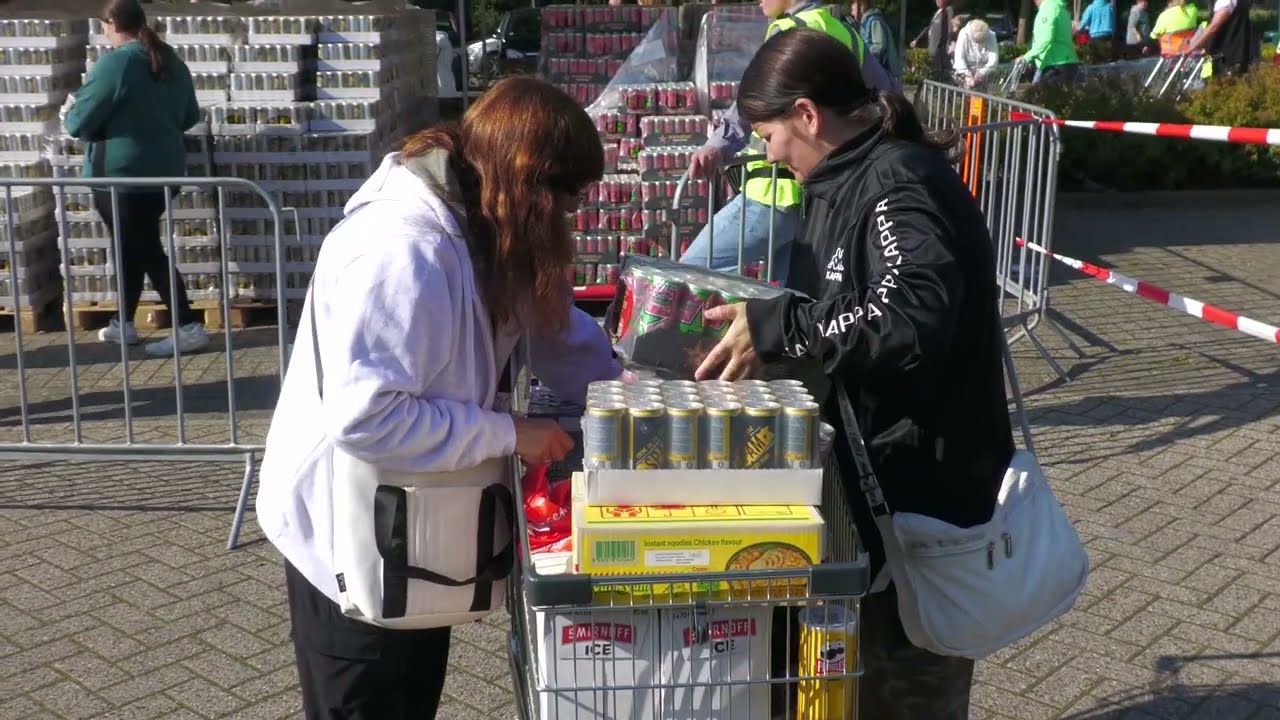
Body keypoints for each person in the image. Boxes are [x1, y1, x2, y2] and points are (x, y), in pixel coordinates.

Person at [256, 76, 625, 720]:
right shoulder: (403, 251)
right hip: (349, 535)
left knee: (412, 692)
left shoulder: (486, 223)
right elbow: (369, 417)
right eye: (567, 199)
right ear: (530, 185)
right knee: (368, 700)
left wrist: (633, 397)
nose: (570, 216)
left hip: (416, 521)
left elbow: (554, 330)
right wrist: (511, 434)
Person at [694, 28, 1012, 718]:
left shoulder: (896, 182)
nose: (769, 156)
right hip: (873, 494)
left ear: (808, 115)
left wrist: (782, 327)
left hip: (920, 497)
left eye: (769, 137)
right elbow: (845, 309)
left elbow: (908, 316)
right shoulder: (842, 181)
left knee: (903, 693)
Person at [680, 0, 897, 285]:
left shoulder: (788, 30)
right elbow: (889, 94)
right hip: (820, 194)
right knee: (787, 293)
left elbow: (753, 104)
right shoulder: (844, 30)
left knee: (688, 271)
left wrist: (717, 145)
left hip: (774, 192)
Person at [63, 0, 209, 356]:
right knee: (131, 245)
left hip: (121, 174)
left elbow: (78, 122)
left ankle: (188, 325)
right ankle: (123, 322)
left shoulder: (116, 63)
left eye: (103, 24)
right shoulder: (170, 59)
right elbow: (189, 115)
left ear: (112, 24)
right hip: (165, 170)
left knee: (144, 248)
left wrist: (72, 113)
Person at [1183, 0, 1257, 77]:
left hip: (1227, 57)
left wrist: (1192, 47)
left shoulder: (1225, 1)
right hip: (1240, 54)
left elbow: (1214, 27)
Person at [1020, 0, 1080, 84]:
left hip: (1054, 65)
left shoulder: (1047, 9)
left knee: (1042, 92)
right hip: (1069, 62)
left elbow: (1045, 39)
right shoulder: (1062, 9)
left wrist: (1026, 57)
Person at [852, 0, 903, 80]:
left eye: (853, 10)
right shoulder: (865, 23)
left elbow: (880, 45)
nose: (852, 13)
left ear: (861, 6)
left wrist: (862, 52)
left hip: (880, 71)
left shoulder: (874, 21)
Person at [911, 0, 957, 79]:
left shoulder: (948, 11)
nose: (937, 1)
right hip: (933, 47)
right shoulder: (938, 12)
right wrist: (917, 39)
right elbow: (929, 27)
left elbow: (950, 28)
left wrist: (950, 42)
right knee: (935, 71)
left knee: (942, 72)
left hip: (941, 48)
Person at [953, 18, 1000, 88]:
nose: (978, 44)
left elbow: (993, 60)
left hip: (983, 72)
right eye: (976, 41)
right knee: (965, 90)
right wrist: (967, 76)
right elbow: (959, 58)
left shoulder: (991, 35)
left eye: (982, 41)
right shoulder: (964, 34)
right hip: (965, 71)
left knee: (980, 93)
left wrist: (981, 73)